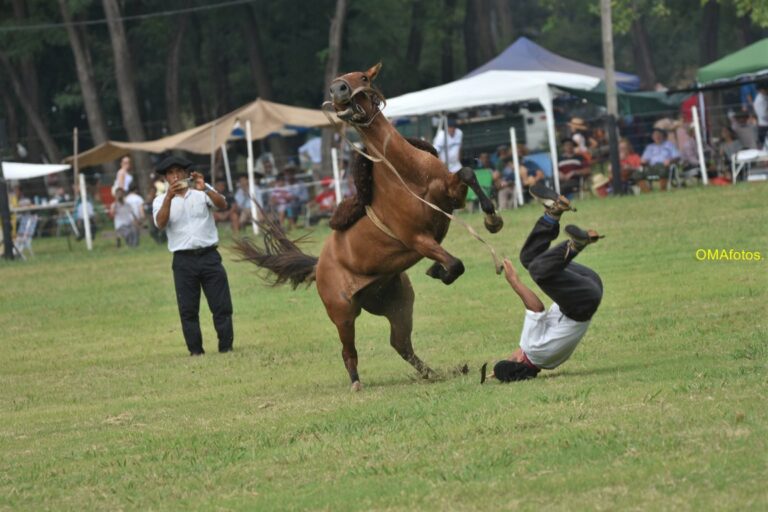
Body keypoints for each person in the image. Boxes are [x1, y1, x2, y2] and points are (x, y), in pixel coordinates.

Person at [481, 181, 603, 383]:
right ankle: (575, 245)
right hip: (580, 301)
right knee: (538, 271)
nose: (514, 351)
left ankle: (553, 213)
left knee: (530, 259)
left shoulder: (549, 363)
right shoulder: (530, 349)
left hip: (589, 289)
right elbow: (536, 308)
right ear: (518, 359)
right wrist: (514, 282)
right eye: (510, 355)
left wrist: (502, 372)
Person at [152, 156, 234, 356]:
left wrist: (205, 188)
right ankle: (195, 351)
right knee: (188, 310)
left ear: (187, 173)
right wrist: (169, 198)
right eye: (170, 173)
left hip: (209, 255)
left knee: (221, 305)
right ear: (165, 178)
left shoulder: (201, 190)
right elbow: (160, 224)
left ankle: (226, 347)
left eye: (179, 171)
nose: (176, 176)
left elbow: (222, 205)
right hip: (183, 260)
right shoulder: (160, 200)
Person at [636, 127, 680, 191]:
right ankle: (647, 192)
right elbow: (643, 160)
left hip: (664, 166)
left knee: (662, 169)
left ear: (663, 136)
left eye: (659, 135)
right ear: (652, 137)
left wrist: (670, 161)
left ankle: (663, 190)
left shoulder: (669, 145)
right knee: (637, 173)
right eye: (655, 135)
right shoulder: (649, 147)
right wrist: (644, 161)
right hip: (651, 167)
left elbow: (677, 156)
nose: (657, 137)